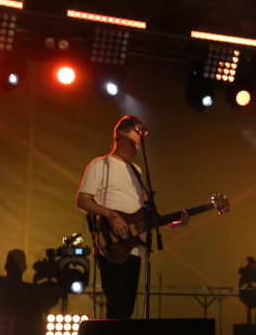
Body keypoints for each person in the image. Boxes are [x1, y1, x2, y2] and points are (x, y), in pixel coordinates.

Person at [75, 115, 187, 319]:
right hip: (112, 244)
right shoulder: (101, 164)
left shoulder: (137, 171)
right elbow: (82, 201)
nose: (136, 148)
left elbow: (146, 214)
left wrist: (174, 224)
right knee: (118, 309)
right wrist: (111, 215)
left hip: (135, 247)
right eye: (132, 143)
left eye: (138, 144)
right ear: (118, 138)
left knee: (126, 310)